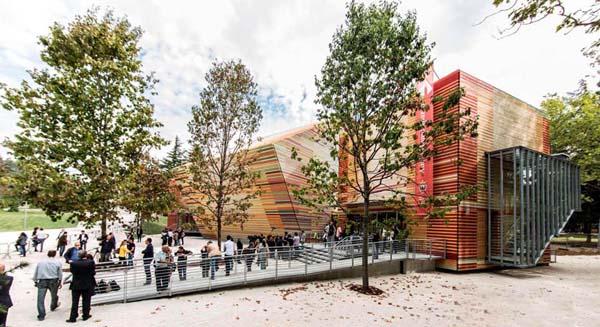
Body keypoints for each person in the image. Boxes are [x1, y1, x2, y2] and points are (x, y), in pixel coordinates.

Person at [66, 252, 96, 323]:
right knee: (86, 300)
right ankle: (86, 315)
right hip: (87, 283)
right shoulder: (91, 262)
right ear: (85, 255)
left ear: (78, 256)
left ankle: (73, 317)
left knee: (75, 302)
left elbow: (72, 272)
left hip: (76, 284)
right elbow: (93, 272)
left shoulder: (73, 263)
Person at [33, 250, 63, 321]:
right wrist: (60, 281)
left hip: (42, 280)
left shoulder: (41, 262)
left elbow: (36, 271)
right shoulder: (57, 262)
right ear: (55, 255)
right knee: (54, 295)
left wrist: (35, 280)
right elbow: (60, 273)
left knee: (40, 298)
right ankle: (53, 305)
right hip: (53, 280)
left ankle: (41, 315)